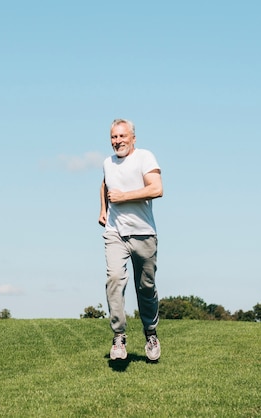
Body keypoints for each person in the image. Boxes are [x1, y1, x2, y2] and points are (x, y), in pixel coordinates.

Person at [99, 118, 163, 361]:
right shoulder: (107, 162)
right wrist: (103, 209)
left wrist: (124, 197)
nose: (117, 142)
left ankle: (151, 333)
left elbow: (156, 189)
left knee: (145, 287)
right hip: (115, 232)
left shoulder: (145, 157)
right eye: (114, 137)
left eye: (122, 137)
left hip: (144, 232)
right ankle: (118, 337)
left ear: (133, 138)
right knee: (114, 278)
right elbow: (105, 184)